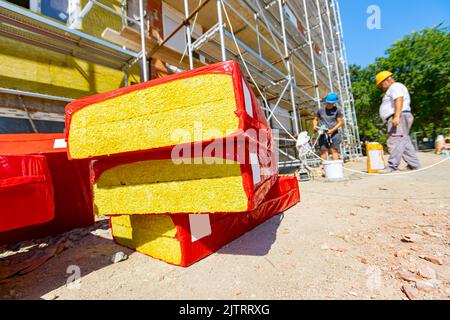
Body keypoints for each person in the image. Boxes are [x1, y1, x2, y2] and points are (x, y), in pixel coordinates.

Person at [375, 71, 421, 172]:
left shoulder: (395, 86)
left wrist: (396, 116)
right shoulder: (395, 87)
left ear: (386, 80)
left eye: (381, 84)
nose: (381, 87)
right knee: (404, 142)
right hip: (401, 115)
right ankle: (414, 164)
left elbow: (398, 99)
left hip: (399, 115)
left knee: (395, 141)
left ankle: (392, 166)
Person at [313, 92, 344, 161]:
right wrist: (315, 125)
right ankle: (323, 168)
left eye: (331, 103)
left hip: (334, 134)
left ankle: (336, 168)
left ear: (334, 103)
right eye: (328, 103)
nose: (329, 104)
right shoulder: (320, 110)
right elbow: (315, 119)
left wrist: (332, 130)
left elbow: (340, 122)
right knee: (323, 150)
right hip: (323, 134)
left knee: (334, 150)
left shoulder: (337, 111)